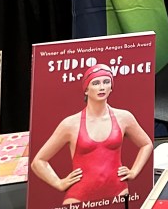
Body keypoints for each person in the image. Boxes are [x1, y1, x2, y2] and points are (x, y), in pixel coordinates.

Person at [30, 65, 153, 203]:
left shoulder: (124, 117)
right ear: (86, 89)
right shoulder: (70, 124)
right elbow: (38, 161)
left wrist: (134, 171)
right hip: (79, 196)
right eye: (96, 83)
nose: (102, 87)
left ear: (111, 87)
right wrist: (58, 183)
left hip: (118, 192)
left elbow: (146, 144)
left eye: (106, 82)